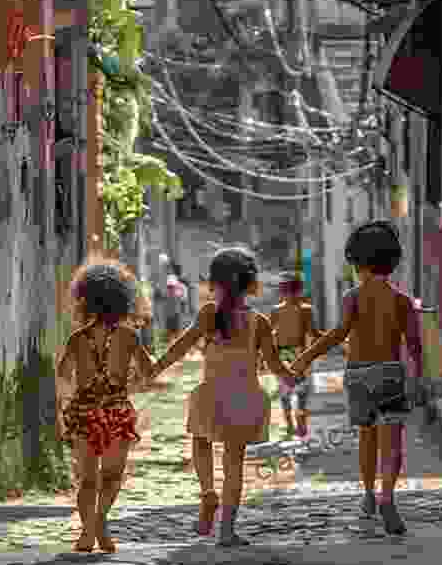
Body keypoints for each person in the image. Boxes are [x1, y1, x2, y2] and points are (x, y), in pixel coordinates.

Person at [147, 247, 302, 546]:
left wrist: (155, 368)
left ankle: (207, 492)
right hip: (244, 399)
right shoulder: (259, 322)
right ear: (251, 284)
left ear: (213, 283)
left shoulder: (209, 314)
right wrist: (291, 377)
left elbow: (180, 347)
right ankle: (227, 531)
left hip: (212, 393)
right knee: (234, 464)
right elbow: (275, 366)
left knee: (200, 440)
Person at [290, 221, 423, 535]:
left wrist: (305, 357)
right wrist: (419, 378)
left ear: (357, 262)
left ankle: (367, 496)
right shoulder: (403, 301)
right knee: (393, 442)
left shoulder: (352, 297)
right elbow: (415, 347)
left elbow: (338, 333)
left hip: (359, 375)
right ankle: (387, 495)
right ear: (392, 261)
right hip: (390, 373)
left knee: (367, 438)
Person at [56, 255, 156, 553]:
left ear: (85, 300)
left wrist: (68, 406)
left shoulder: (77, 339)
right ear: (123, 300)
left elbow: (62, 376)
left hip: (84, 411)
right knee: (111, 476)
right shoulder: (130, 337)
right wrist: (134, 381)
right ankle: (100, 522)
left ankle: (88, 533)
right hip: (116, 411)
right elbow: (148, 372)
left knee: (87, 480)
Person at [270, 271, 324, 438]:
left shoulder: (276, 310)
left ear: (281, 291)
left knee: (285, 393)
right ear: (300, 290)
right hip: (299, 355)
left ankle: (289, 425)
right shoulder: (306, 309)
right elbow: (314, 333)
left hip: (281, 355)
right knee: (301, 393)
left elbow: (268, 334)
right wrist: (333, 339)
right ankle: (301, 425)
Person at [165, 260, 187, 344]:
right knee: (172, 335)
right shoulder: (181, 287)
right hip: (172, 313)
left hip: (176, 313)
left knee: (176, 335)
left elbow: (183, 302)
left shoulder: (180, 286)